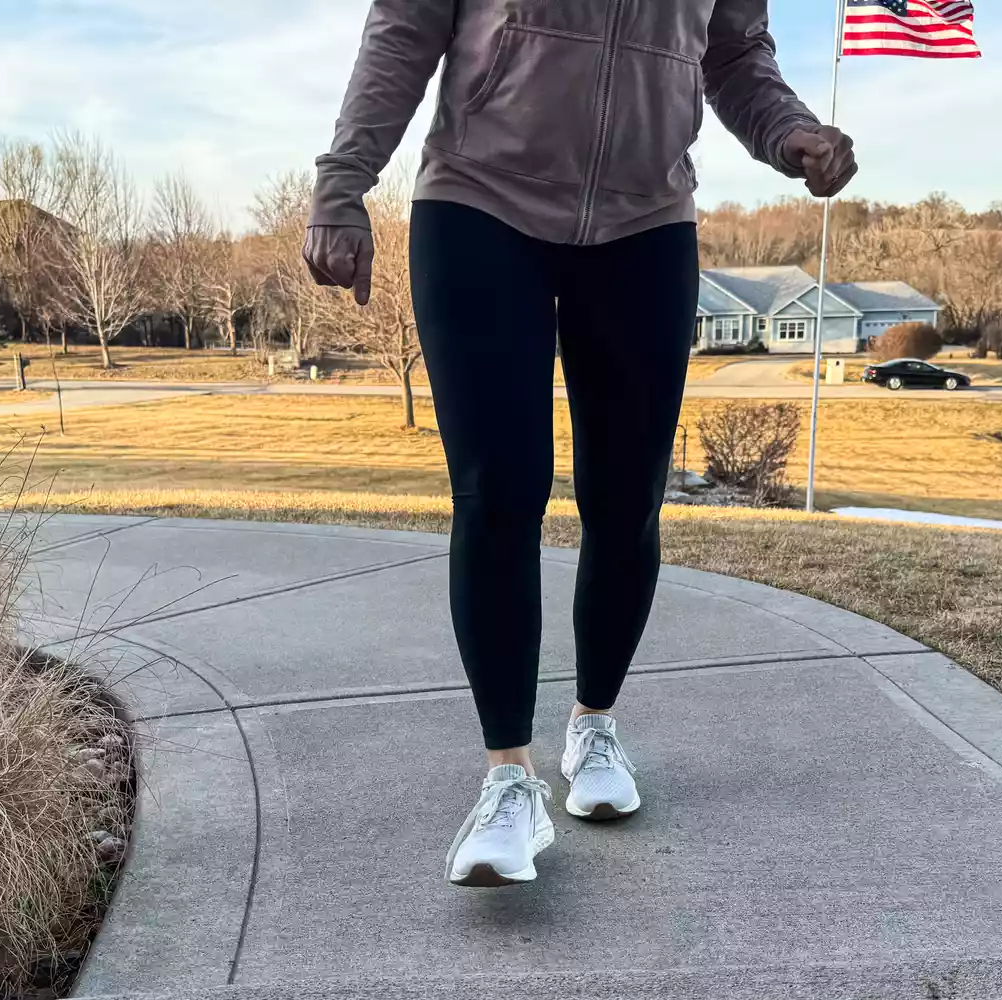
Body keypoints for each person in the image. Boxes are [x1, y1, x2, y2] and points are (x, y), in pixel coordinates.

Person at [304, 0, 857, 889]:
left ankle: (594, 727)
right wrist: (343, 182)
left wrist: (790, 131)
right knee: (499, 490)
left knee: (628, 497)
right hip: (481, 205)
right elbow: (405, 28)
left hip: (645, 224)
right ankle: (508, 781)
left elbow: (734, 56)